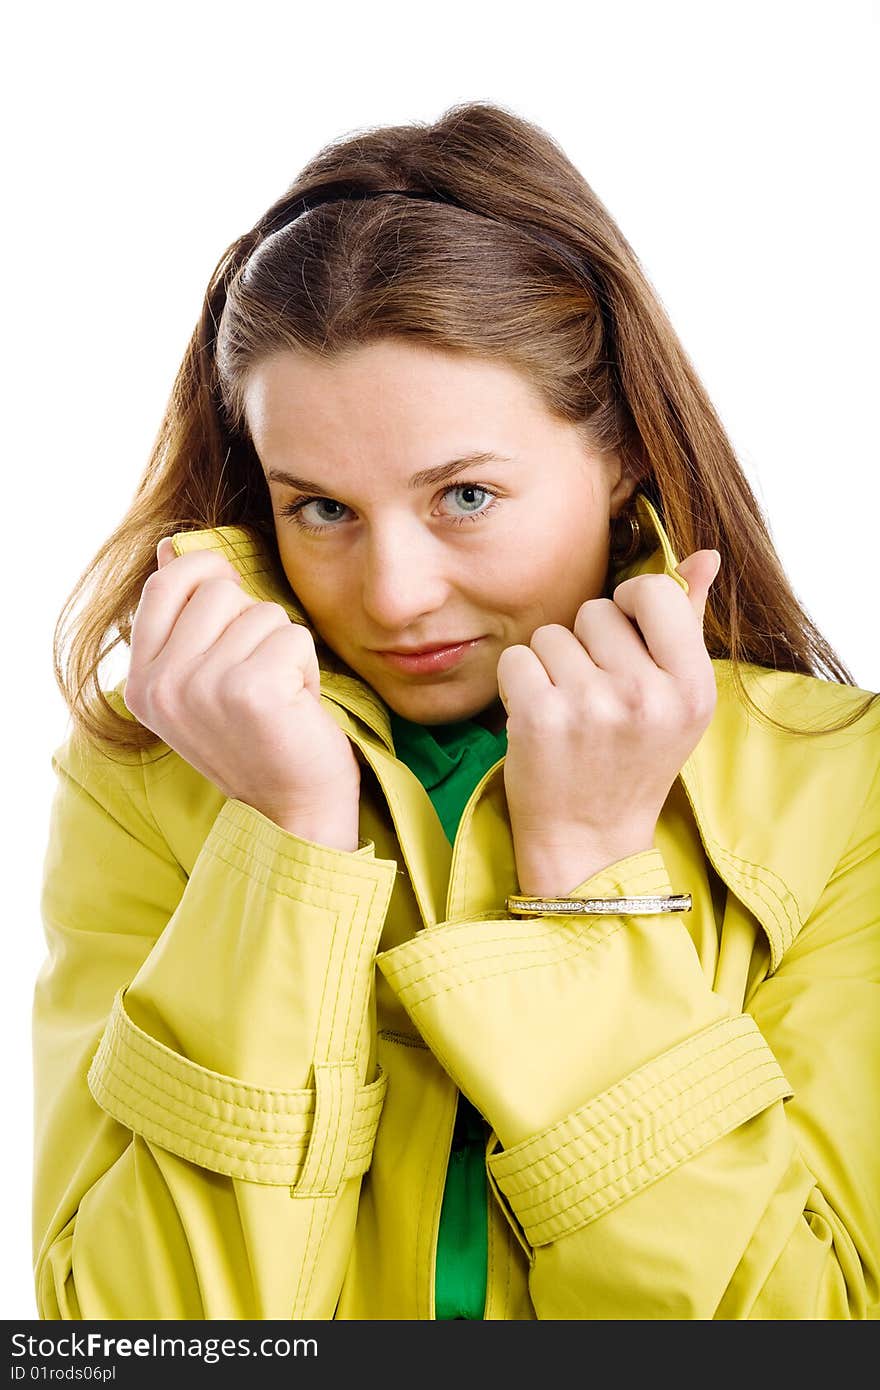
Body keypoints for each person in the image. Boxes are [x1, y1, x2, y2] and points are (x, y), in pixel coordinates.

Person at [34, 99, 880, 1322]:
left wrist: (593, 880)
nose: (391, 594)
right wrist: (284, 845)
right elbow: (139, 1336)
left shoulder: (838, 784)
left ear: (625, 452)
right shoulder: (143, 780)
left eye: (466, 495)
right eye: (319, 507)